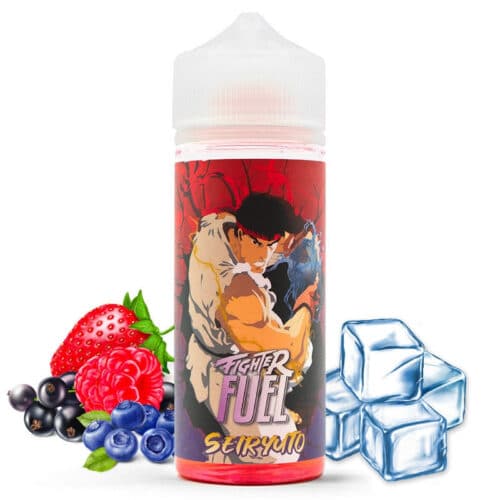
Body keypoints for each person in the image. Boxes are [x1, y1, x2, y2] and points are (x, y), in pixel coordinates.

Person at [186, 193, 319, 464]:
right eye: (257, 243)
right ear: (239, 233)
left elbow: (257, 242)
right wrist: (306, 303)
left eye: (271, 244)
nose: (263, 256)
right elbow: (289, 353)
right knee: (280, 455)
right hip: (224, 373)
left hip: (235, 355)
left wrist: (292, 238)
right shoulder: (237, 292)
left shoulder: (221, 227)